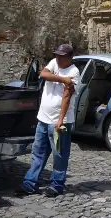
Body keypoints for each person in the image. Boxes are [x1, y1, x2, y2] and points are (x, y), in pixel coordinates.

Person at [17, 43, 81, 198]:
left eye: (62, 56)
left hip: (59, 121)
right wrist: (61, 79)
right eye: (57, 55)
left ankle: (57, 185)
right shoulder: (54, 63)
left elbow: (67, 97)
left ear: (69, 57)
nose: (58, 58)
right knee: (38, 152)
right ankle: (30, 183)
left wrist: (60, 120)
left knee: (59, 154)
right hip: (43, 118)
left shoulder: (74, 72)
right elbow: (43, 74)